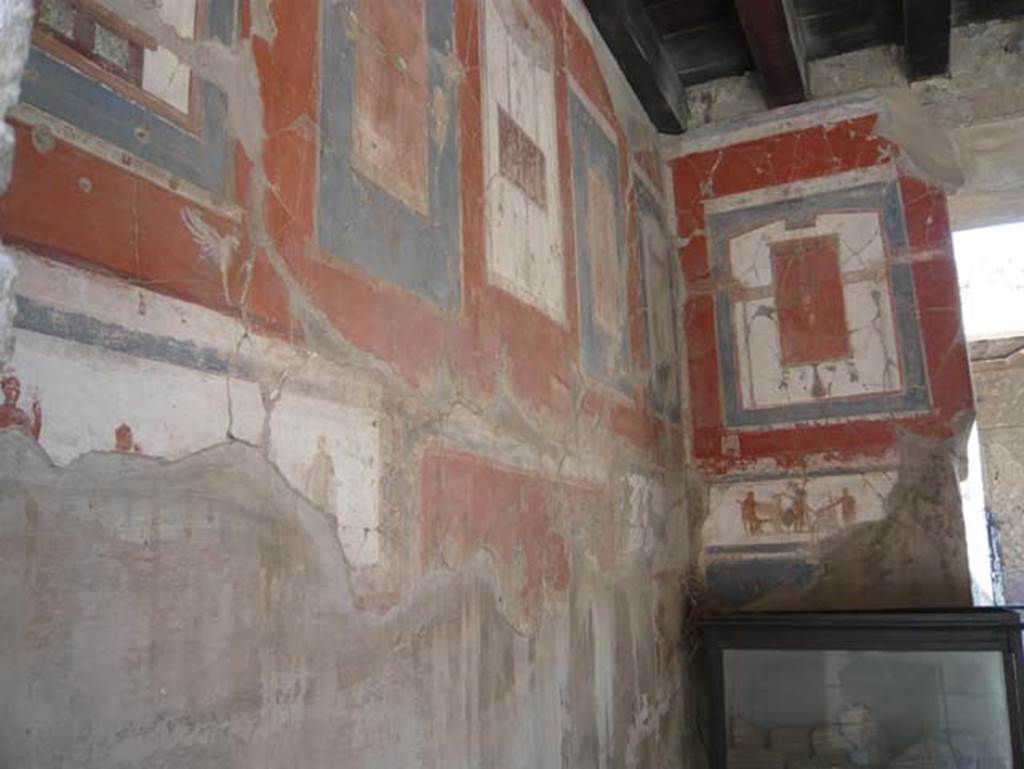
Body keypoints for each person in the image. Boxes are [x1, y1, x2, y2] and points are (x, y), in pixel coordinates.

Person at [0, 374, 41, 440]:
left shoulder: (21, 415)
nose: (14, 392)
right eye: (10, 387)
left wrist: (38, 417)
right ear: (3, 389)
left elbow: (33, 439)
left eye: (16, 388)